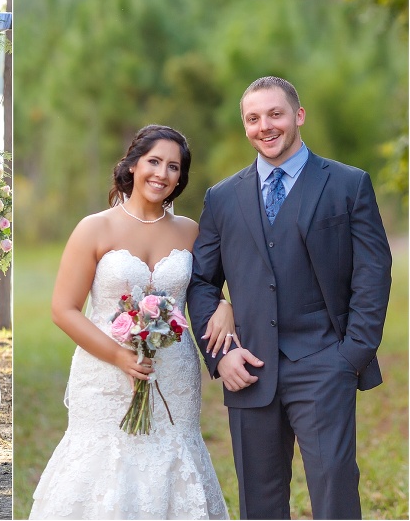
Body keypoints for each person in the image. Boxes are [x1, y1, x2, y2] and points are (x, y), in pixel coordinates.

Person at [187, 76, 392, 519]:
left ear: (298, 116)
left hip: (325, 362)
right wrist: (221, 357)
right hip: (248, 368)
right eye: (253, 118)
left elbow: (373, 273)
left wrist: (351, 355)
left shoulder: (347, 184)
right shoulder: (222, 198)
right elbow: (201, 281)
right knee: (259, 502)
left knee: (335, 491)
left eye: (275, 114)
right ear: (245, 126)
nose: (265, 126)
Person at [29, 125, 232, 520]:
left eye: (173, 167)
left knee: (173, 453)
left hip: (173, 373)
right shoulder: (95, 227)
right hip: (106, 373)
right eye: (154, 161)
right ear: (133, 165)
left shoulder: (191, 231)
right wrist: (119, 357)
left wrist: (228, 306)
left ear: (181, 177)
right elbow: (63, 309)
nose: (162, 173)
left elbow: (211, 287)